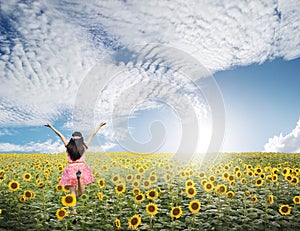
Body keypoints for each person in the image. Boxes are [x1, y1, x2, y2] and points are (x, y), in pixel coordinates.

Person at [44, 122, 106, 210]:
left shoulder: (68, 146)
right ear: (81, 139)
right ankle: (79, 178)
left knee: (72, 192)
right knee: (80, 193)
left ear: (72, 139)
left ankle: (73, 212)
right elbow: (92, 135)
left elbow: (60, 135)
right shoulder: (84, 146)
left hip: (71, 169)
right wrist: (100, 126)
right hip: (81, 168)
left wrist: (51, 127)